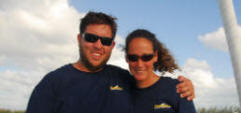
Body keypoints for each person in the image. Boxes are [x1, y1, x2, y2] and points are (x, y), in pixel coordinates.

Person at [26, 11, 194, 113]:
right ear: (79, 39)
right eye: (91, 38)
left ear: (112, 45)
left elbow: (152, 86)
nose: (98, 45)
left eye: (105, 41)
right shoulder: (52, 83)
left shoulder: (123, 78)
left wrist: (185, 86)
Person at [125, 29, 196, 113]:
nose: (140, 64)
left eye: (146, 57)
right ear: (127, 58)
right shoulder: (118, 90)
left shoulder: (178, 89)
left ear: (155, 56)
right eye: (133, 58)